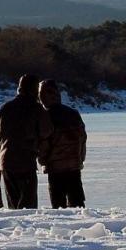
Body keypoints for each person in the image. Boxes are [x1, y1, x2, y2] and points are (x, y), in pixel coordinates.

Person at [0, 74, 53, 209]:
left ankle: (16, 229)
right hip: (26, 161)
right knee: (28, 205)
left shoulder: (4, 108)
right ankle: (27, 230)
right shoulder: (36, 108)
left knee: (13, 205)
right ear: (34, 89)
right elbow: (47, 131)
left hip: (6, 161)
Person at [38, 78, 87, 208]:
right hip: (74, 165)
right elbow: (82, 138)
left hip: (55, 167)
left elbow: (44, 142)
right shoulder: (73, 113)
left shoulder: (45, 116)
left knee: (58, 206)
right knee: (77, 203)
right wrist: (80, 158)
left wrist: (42, 160)